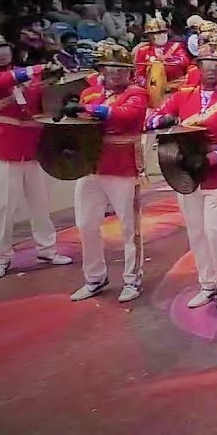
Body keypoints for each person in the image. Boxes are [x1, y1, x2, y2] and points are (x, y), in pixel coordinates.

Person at [148, 41, 217, 312]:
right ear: (199, 67)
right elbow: (153, 118)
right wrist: (163, 121)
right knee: (196, 233)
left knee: (216, 233)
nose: (213, 70)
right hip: (185, 174)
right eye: (208, 65)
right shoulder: (183, 95)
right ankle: (207, 285)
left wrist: (210, 159)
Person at [67, 42, 149, 303]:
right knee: (86, 224)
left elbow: (126, 115)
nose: (115, 73)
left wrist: (88, 111)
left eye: (121, 68)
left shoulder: (137, 92)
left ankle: (132, 280)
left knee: (128, 227)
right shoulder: (89, 93)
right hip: (90, 166)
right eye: (110, 67)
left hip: (123, 166)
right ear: (101, 69)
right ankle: (95, 277)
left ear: (130, 72)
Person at [0, 34, 71, 280]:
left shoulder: (23, 75)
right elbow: (5, 81)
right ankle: (1, 257)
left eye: (4, 46)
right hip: (2, 150)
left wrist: (51, 79)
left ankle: (47, 249)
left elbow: (42, 99)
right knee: (3, 208)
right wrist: (38, 69)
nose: (1, 51)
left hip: (32, 149)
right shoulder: (6, 76)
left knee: (40, 204)